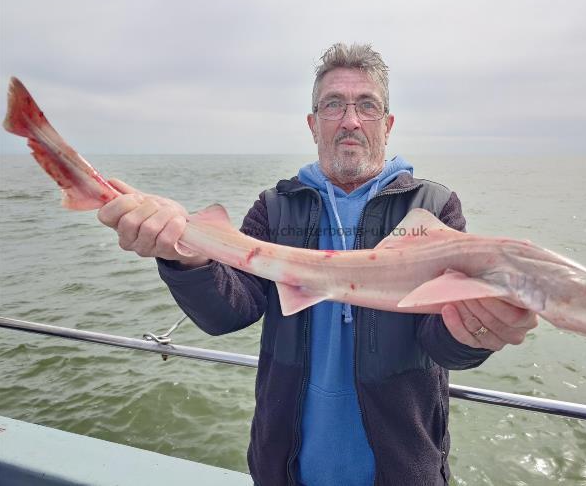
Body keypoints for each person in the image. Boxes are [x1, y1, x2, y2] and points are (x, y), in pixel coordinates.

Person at [97, 43, 537, 486]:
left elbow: (442, 345)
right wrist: (184, 258)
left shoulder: (432, 209)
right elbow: (229, 312)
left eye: (367, 105)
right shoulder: (276, 208)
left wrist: (477, 333)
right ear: (313, 124)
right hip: (285, 470)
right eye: (333, 105)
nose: (350, 120)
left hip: (402, 471)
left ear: (387, 124)